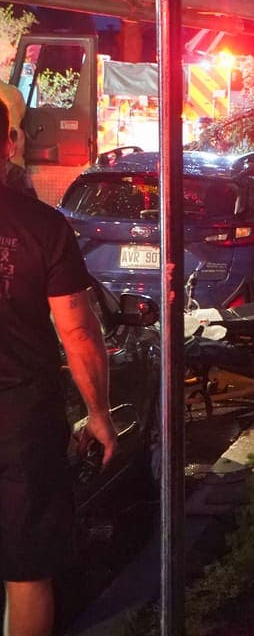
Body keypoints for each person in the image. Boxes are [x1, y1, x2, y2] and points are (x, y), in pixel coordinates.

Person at [0, 102, 118, 636]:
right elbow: (77, 331)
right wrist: (98, 413)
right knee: (26, 573)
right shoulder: (43, 227)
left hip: (24, 421)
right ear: (9, 145)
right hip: (21, 424)